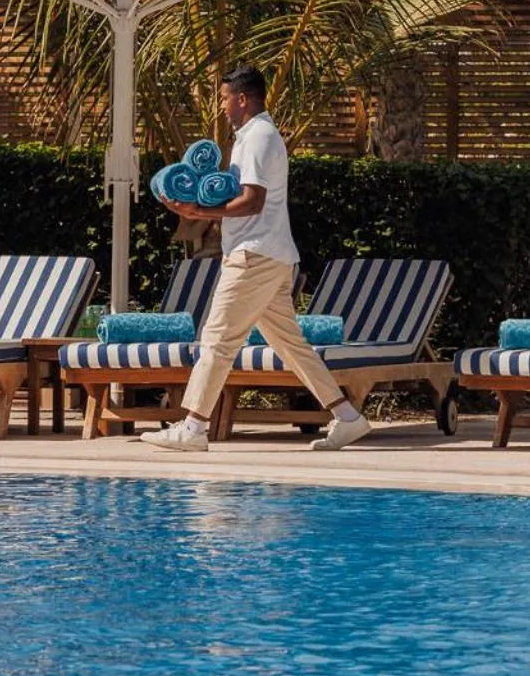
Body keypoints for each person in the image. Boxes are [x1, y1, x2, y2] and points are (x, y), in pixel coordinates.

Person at [143, 66, 372, 452]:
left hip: (255, 256)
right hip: (269, 255)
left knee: (218, 338)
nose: (221, 106)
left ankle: (193, 427)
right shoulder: (253, 137)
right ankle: (348, 417)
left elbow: (253, 201)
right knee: (290, 345)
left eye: (224, 98)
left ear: (242, 98)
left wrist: (199, 212)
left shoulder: (259, 137)